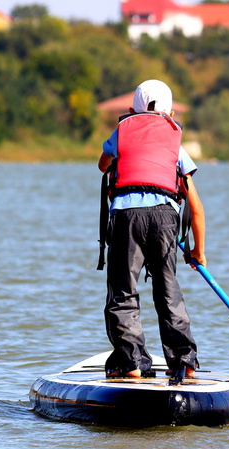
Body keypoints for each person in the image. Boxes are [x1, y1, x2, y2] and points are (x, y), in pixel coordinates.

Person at [97, 79, 207, 380]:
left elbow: (102, 165)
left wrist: (120, 155)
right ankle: (184, 362)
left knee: (123, 291)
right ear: (171, 114)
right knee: (168, 290)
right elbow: (195, 207)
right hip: (165, 220)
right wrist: (199, 251)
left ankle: (131, 363)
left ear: (132, 110)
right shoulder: (176, 144)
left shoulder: (122, 132)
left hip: (126, 218)